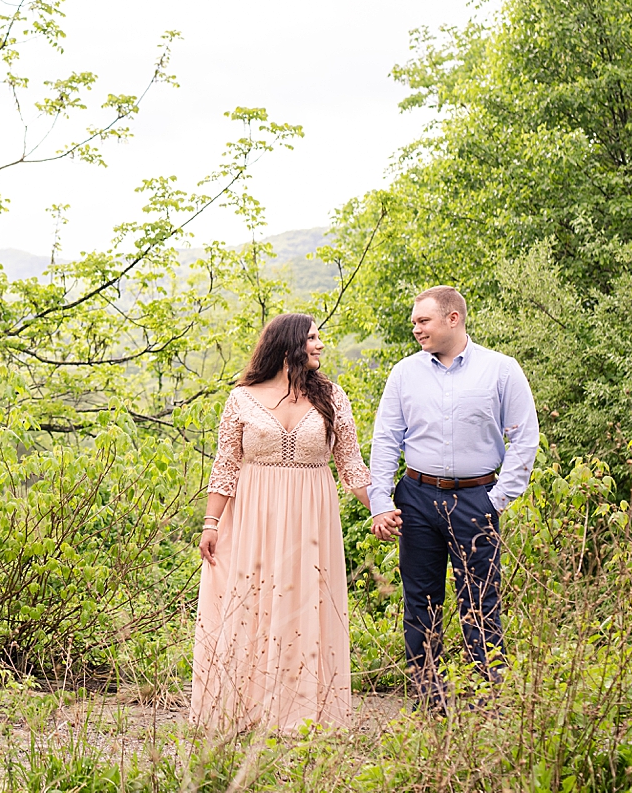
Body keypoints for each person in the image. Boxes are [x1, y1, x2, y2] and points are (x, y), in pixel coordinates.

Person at [191, 313, 373, 733]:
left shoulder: (332, 396)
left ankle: (302, 715)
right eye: (312, 338)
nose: (320, 345)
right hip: (253, 514)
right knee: (253, 602)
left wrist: (381, 508)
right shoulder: (242, 397)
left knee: (305, 604)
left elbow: (351, 465)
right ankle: (244, 710)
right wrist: (210, 522)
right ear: (289, 344)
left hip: (312, 514)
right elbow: (226, 465)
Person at [367, 286, 539, 709]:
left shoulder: (501, 370)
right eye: (415, 322)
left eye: (423, 321)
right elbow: (386, 440)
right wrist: (382, 502)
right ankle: (431, 698)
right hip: (417, 498)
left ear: (453, 319)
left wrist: (496, 501)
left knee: (480, 598)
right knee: (420, 599)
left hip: (476, 498)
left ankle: (488, 697)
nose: (416, 329)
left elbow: (524, 438)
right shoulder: (404, 373)